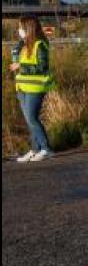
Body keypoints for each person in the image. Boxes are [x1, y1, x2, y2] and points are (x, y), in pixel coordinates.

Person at [9, 15, 55, 162]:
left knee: (32, 118)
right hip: (22, 87)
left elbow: (42, 67)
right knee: (29, 121)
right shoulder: (24, 44)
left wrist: (21, 66)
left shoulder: (40, 44)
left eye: (21, 27)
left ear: (28, 28)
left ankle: (46, 149)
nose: (19, 30)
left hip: (35, 87)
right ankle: (35, 149)